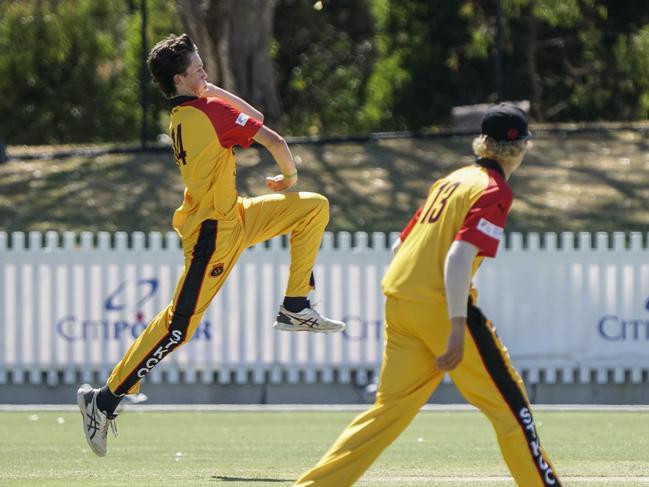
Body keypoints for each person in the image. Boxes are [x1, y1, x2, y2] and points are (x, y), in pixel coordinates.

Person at [77, 33, 346, 457]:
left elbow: (251, 114)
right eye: (199, 70)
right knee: (178, 327)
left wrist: (208, 87)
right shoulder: (208, 112)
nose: (207, 73)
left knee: (314, 208)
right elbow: (275, 141)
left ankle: (296, 305)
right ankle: (104, 401)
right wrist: (289, 179)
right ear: (182, 79)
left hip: (235, 215)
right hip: (212, 237)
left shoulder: (188, 110)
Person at [294, 103, 562, 487]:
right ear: (522, 149)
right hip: (440, 309)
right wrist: (455, 327)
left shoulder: (452, 180)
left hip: (399, 302)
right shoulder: (494, 189)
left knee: (385, 414)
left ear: (482, 143)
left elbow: (399, 247)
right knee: (511, 410)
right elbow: (458, 257)